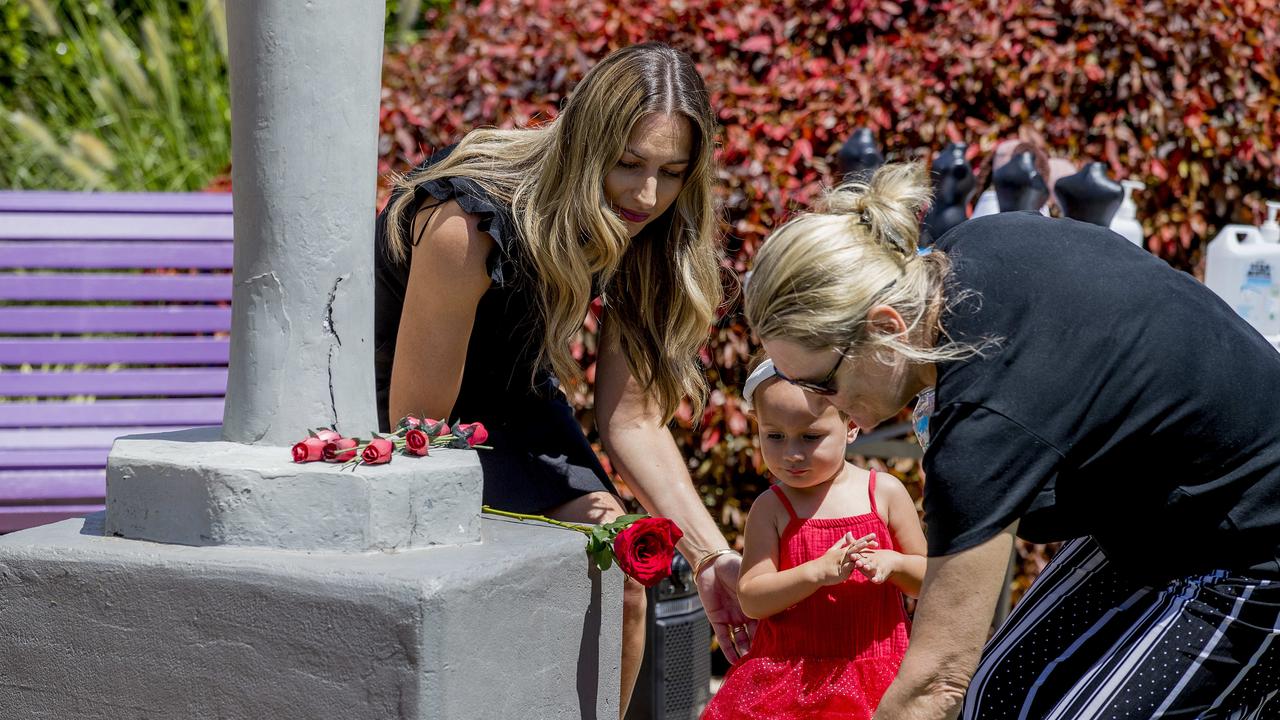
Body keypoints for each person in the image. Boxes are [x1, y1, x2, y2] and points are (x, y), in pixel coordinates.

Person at [744, 162, 1280, 718]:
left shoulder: (982, 423)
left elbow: (934, 683)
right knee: (999, 695)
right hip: (1157, 512)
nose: (819, 404)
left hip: (1255, 540)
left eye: (821, 381)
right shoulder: (968, 248)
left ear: (885, 329)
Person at [373, 42, 753, 716]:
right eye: (628, 164)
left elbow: (631, 420)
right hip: (420, 417)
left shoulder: (652, 230)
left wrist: (713, 558)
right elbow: (416, 431)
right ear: (584, 144)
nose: (646, 194)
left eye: (672, 172)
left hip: (518, 397)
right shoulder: (470, 224)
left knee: (626, 576)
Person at [701, 354, 927, 719]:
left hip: (878, 675)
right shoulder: (771, 509)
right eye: (774, 436)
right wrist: (815, 573)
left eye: (810, 436)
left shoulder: (884, 494)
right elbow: (753, 599)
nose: (791, 453)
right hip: (789, 682)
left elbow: (927, 580)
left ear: (850, 425)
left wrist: (895, 563)